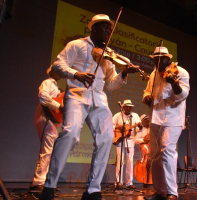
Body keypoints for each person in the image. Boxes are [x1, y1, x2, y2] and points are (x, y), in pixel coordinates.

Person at [40, 14, 138, 200]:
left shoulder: (109, 55)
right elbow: (58, 65)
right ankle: (49, 185)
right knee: (70, 134)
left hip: (99, 99)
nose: (109, 32)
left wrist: (124, 73)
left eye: (110, 29)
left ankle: (93, 190)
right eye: (105, 28)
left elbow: (109, 85)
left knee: (107, 138)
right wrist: (77, 74)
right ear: (93, 29)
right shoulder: (77, 45)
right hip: (77, 95)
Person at [142, 46, 190, 200]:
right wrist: (147, 97)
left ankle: (172, 192)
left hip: (172, 118)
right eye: (155, 60)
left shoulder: (180, 72)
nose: (157, 62)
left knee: (167, 151)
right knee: (155, 155)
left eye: (160, 59)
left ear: (168, 59)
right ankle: (160, 191)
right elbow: (148, 91)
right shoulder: (153, 74)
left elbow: (183, 94)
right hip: (155, 118)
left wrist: (174, 83)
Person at [30, 66, 63, 192]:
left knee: (50, 152)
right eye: (58, 71)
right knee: (47, 151)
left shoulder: (56, 87)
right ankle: (38, 182)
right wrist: (58, 107)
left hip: (52, 122)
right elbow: (43, 97)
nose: (60, 73)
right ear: (52, 72)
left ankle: (45, 182)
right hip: (46, 119)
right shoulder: (48, 82)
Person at [112, 99, 142, 189]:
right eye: (127, 106)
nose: (129, 108)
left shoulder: (135, 116)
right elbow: (110, 125)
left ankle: (129, 183)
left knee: (129, 161)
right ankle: (118, 182)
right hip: (120, 140)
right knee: (120, 162)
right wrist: (118, 126)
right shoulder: (118, 115)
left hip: (130, 140)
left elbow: (138, 129)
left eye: (130, 107)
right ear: (123, 107)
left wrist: (140, 127)